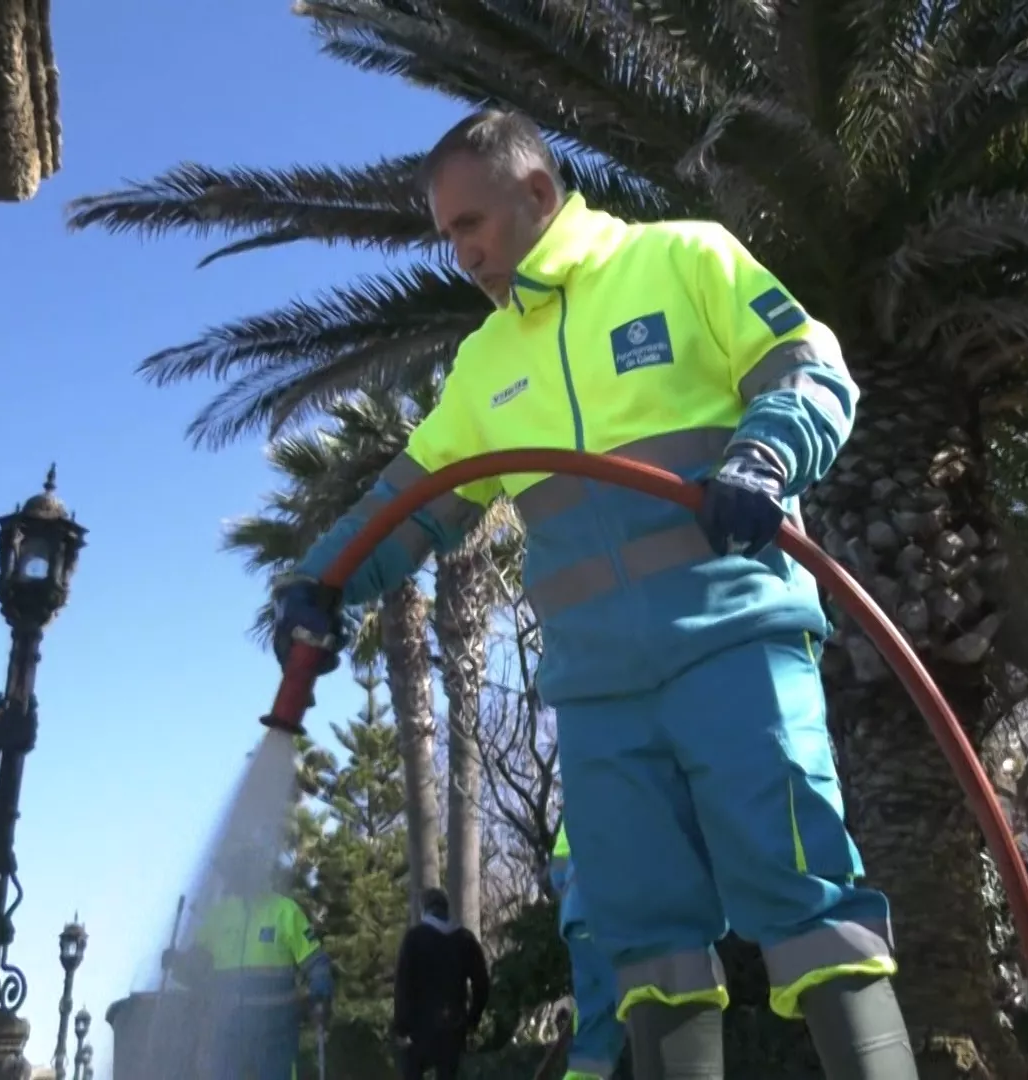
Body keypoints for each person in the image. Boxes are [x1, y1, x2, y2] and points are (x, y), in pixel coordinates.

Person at [271, 108, 917, 1080]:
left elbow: (809, 367)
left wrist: (766, 451)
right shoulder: (487, 363)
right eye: (447, 235)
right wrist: (320, 577)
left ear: (536, 193)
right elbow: (410, 500)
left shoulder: (684, 261)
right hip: (599, 692)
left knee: (805, 897)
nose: (461, 255)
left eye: (470, 226)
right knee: (648, 941)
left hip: (733, 643)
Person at [165, 848, 335, 1080]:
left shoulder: (284, 912)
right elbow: (196, 970)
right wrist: (177, 962)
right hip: (228, 1032)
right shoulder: (220, 916)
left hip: (275, 1031)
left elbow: (316, 963)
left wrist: (321, 994)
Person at [549, 824, 625, 1080]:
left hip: (578, 918)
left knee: (595, 1031)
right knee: (654, 1010)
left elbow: (557, 874)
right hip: (616, 916)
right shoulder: (632, 784)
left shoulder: (577, 795)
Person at [393, 888, 491, 1080]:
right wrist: (472, 1019)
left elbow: (403, 985)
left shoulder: (414, 938)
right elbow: (482, 984)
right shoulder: (464, 939)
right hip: (454, 1026)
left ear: (424, 909)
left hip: (419, 1029)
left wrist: (401, 1027)